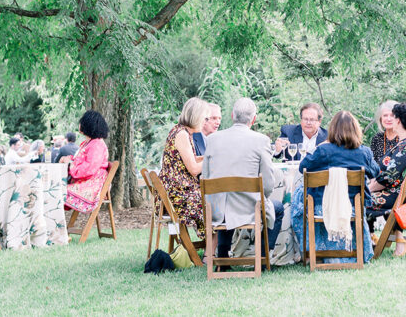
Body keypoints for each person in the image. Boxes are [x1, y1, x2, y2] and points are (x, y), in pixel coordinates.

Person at [201, 97, 283, 260]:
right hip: (249, 209)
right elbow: (267, 185)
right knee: (278, 207)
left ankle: (223, 256)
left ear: (232, 116)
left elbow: (206, 176)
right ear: (253, 119)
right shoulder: (262, 140)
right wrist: (260, 199)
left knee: (227, 200)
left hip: (218, 210)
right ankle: (263, 257)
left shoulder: (212, 139)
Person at [295, 110, 381, 263]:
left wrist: (321, 145)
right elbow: (376, 171)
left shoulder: (324, 150)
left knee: (297, 196)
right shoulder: (364, 152)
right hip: (354, 207)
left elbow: (303, 167)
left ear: (332, 130)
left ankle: (311, 251)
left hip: (323, 207)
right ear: (356, 130)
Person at [368, 101, 406, 257]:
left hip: (397, 196)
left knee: (356, 200)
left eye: (394, 116)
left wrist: (366, 189)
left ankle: (362, 245)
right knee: (357, 197)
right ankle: (366, 242)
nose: (391, 119)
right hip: (396, 193)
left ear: (399, 121)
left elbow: (387, 179)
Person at [160, 97, 210, 235]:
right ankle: (212, 249)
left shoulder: (181, 131)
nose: (206, 123)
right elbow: (194, 169)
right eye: (205, 119)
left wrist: (208, 156)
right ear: (196, 117)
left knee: (212, 198)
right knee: (213, 203)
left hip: (178, 190)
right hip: (177, 195)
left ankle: (213, 247)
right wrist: (211, 158)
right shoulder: (181, 134)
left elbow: (190, 159)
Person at [63, 110, 111, 213]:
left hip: (92, 183)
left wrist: (70, 165)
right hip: (86, 180)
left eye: (82, 122)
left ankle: (57, 226)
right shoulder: (88, 143)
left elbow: (88, 168)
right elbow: (80, 160)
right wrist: (68, 159)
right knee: (54, 189)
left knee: (56, 192)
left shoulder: (97, 144)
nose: (80, 125)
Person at [369, 100, 398, 165]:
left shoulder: (404, 138)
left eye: (392, 115)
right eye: (385, 115)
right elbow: (372, 164)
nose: (388, 119)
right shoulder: (377, 138)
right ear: (380, 118)